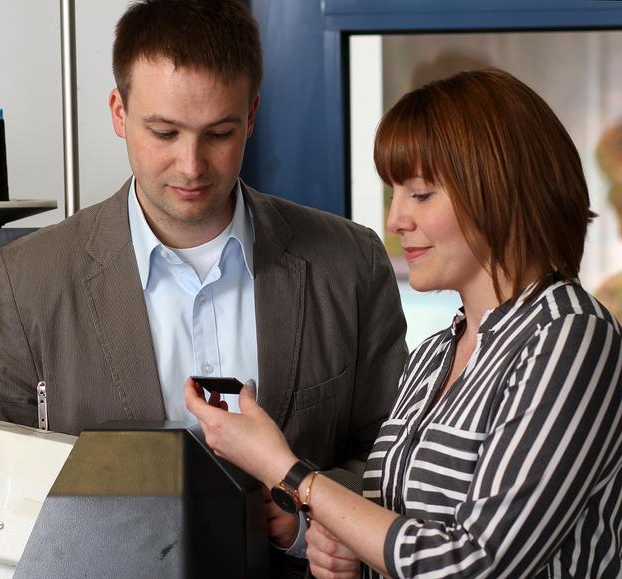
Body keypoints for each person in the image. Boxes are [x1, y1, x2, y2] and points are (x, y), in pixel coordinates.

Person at [0, 0, 407, 575]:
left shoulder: (349, 263)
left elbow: (393, 456)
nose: (191, 166)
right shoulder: (28, 280)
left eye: (219, 133)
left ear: (252, 116)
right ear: (119, 111)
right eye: (164, 132)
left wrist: (307, 517)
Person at [187, 68, 622, 578]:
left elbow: (475, 566)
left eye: (420, 194)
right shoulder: (435, 355)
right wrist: (348, 557)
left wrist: (288, 473)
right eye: (395, 193)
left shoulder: (571, 336)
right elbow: (402, 540)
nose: (396, 220)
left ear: (500, 192)